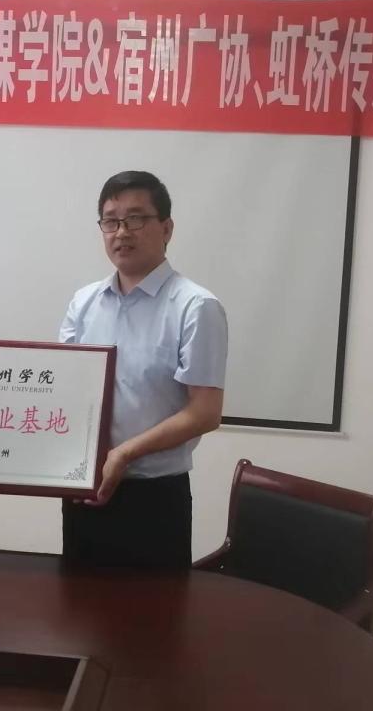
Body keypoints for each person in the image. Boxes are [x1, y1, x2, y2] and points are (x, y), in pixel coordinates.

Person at [59, 171, 228, 569]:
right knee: (77, 604)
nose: (121, 232)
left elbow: (205, 412)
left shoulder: (195, 307)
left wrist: (124, 454)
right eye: (111, 221)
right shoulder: (84, 303)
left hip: (154, 498)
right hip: (83, 489)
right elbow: (64, 392)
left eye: (135, 219)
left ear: (166, 228)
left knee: (156, 608)